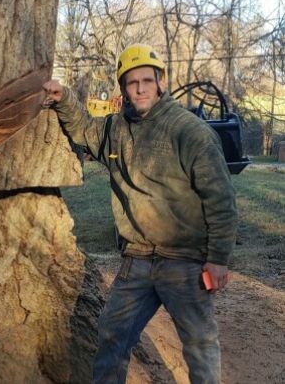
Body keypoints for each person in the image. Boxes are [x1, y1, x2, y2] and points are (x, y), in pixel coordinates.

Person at [43, 43, 238, 384]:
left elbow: (220, 199)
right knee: (112, 336)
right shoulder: (117, 129)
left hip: (184, 263)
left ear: (161, 82)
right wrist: (65, 98)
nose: (140, 88)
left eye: (147, 80)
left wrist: (218, 258)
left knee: (200, 345)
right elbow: (86, 130)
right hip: (137, 261)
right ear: (123, 88)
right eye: (132, 82)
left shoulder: (189, 132)